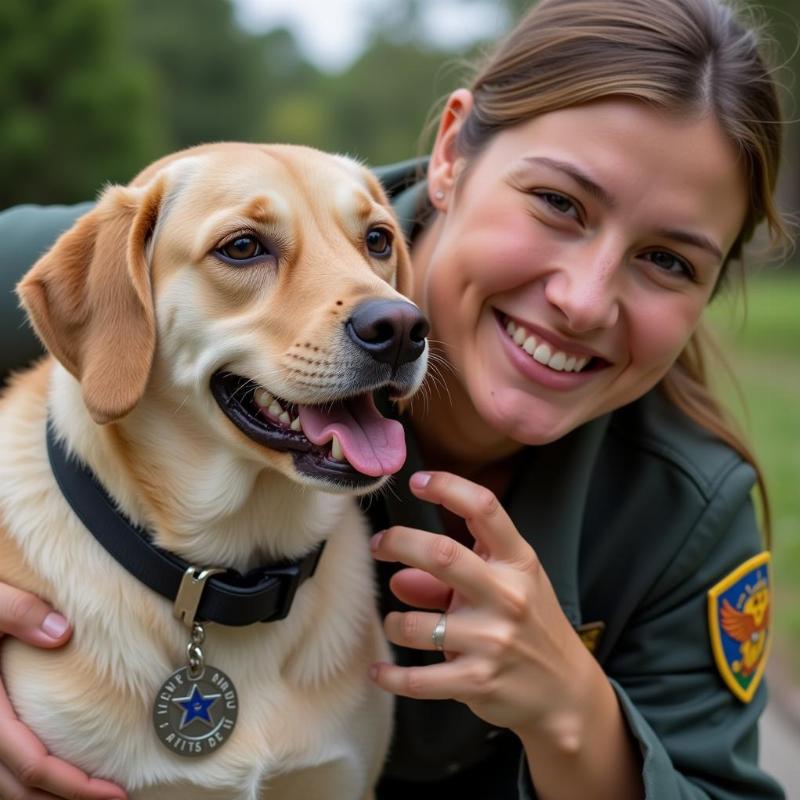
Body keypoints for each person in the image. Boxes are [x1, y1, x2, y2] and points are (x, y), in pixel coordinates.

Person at [0, 0, 789, 797]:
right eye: (559, 202)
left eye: (667, 259)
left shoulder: (688, 508)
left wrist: (572, 713)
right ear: (452, 150)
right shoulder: (149, 241)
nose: (584, 302)